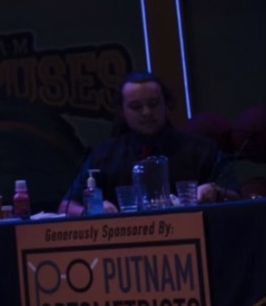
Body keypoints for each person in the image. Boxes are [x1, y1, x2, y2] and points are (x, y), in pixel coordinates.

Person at [60, 71, 239, 215]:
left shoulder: (201, 150)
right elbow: (66, 206)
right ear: (122, 111)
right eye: (136, 107)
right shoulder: (104, 155)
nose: (146, 112)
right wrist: (91, 209)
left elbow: (238, 198)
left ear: (166, 105)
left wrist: (216, 190)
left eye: (153, 104)